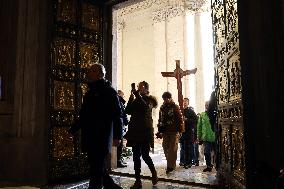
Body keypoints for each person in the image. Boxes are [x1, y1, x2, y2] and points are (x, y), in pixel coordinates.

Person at [68, 63, 123, 189]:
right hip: (90, 136)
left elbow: (117, 115)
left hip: (102, 137)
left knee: (96, 172)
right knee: (97, 168)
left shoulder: (109, 92)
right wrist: (72, 130)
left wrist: (118, 136)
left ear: (99, 74)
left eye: (91, 71)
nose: (88, 73)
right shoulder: (89, 93)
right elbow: (84, 116)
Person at [125, 81, 158, 189]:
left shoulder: (150, 100)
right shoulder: (136, 99)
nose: (139, 89)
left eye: (141, 87)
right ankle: (138, 181)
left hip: (145, 132)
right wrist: (131, 96)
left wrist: (137, 95)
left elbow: (145, 108)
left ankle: (153, 172)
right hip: (135, 131)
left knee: (145, 155)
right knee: (135, 157)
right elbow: (128, 110)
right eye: (138, 87)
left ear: (146, 88)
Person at [156, 92, 184, 174]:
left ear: (170, 98)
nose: (165, 100)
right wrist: (159, 131)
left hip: (174, 131)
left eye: (167, 98)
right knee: (165, 148)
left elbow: (180, 119)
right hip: (165, 131)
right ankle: (170, 164)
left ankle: (170, 166)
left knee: (172, 149)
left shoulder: (175, 107)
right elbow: (160, 119)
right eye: (164, 99)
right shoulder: (162, 107)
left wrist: (180, 131)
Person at [197, 101, 216, 172]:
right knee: (206, 152)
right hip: (206, 137)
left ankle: (217, 165)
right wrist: (199, 136)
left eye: (208, 105)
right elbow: (199, 126)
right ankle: (209, 165)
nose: (206, 106)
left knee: (216, 152)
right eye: (205, 105)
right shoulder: (202, 115)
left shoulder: (215, 114)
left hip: (215, 137)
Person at [179, 97, 198, 168]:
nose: (184, 102)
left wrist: (187, 119)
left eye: (186, 101)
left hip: (188, 132)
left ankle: (189, 162)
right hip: (182, 132)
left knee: (188, 147)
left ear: (188, 103)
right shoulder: (180, 110)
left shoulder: (191, 111)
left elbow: (195, 120)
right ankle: (183, 161)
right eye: (183, 101)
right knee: (183, 148)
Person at [116, 89, 128, 168]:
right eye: (122, 95)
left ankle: (119, 159)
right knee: (119, 145)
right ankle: (118, 161)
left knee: (120, 145)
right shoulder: (119, 102)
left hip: (121, 125)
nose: (123, 97)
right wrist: (126, 121)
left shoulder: (120, 102)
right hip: (119, 125)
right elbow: (122, 114)